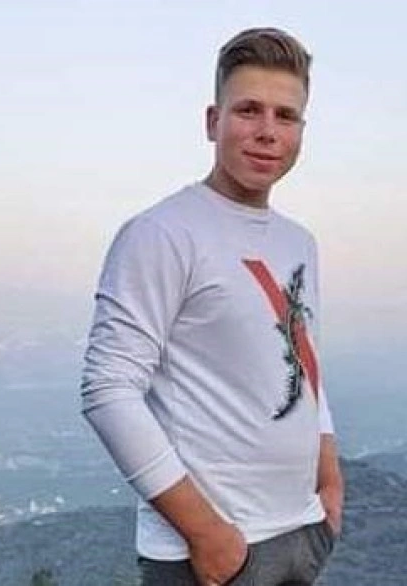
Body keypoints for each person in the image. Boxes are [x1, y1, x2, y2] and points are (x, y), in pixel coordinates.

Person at [81, 26, 344, 586]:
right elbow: (108, 389)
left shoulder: (298, 242)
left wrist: (330, 485)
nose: (267, 131)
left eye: (286, 116)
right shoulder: (162, 233)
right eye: (248, 110)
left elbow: (303, 364)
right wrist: (207, 536)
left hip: (302, 532)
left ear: (301, 131)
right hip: (211, 557)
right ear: (212, 121)